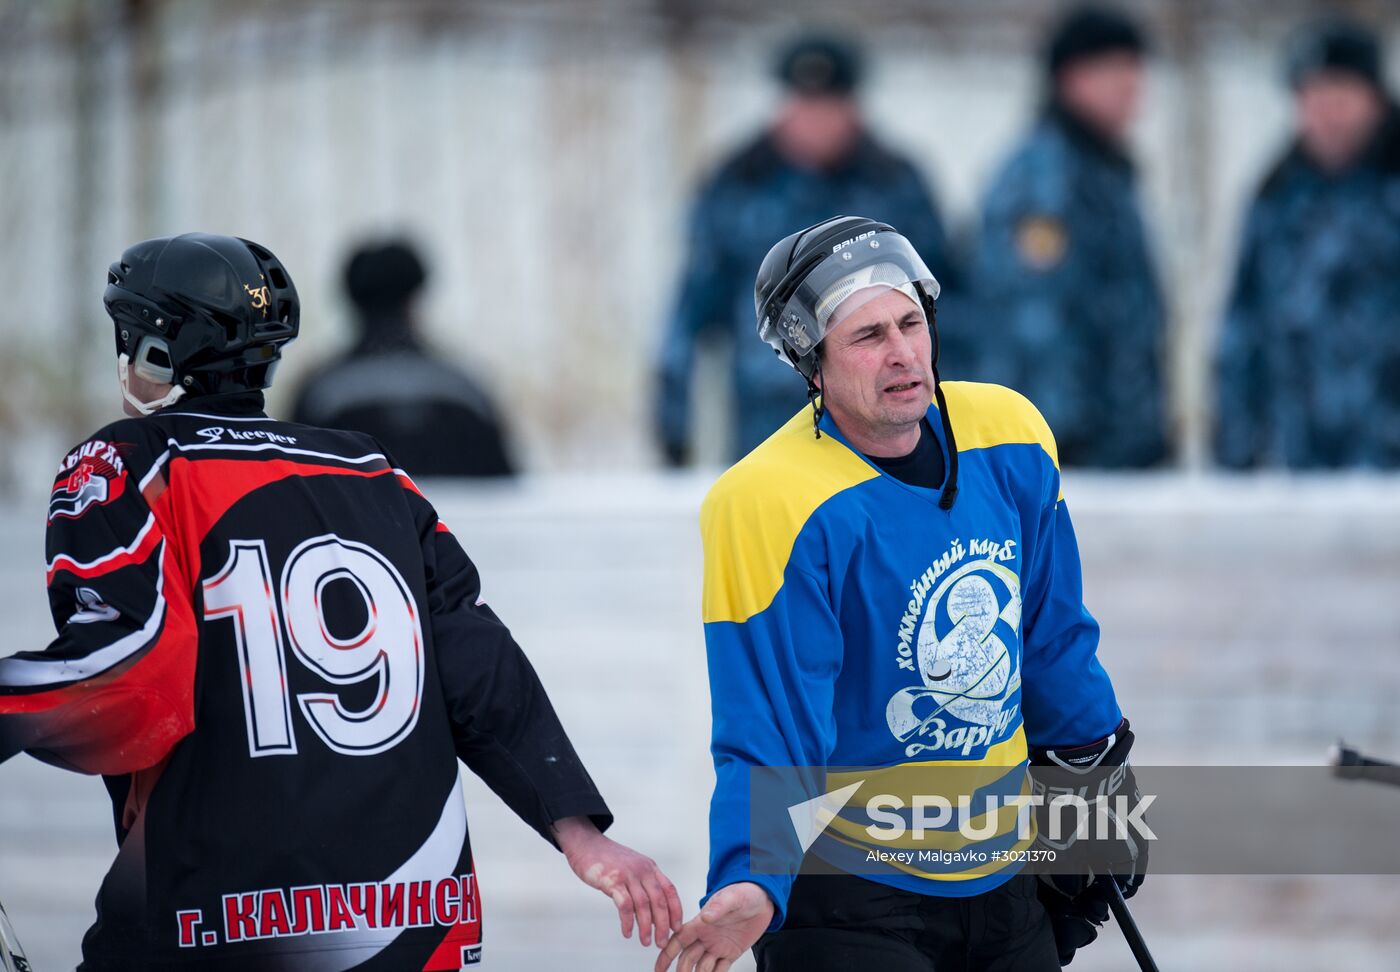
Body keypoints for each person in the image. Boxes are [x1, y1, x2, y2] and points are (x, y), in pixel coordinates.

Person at [0, 233, 679, 969]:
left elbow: (131, 678)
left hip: (212, 925)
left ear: (158, 349)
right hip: (415, 928)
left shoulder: (127, 461)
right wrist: (579, 832)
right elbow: (478, 662)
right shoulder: (372, 469)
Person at [656, 216, 1144, 972]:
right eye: (866, 336)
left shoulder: (1007, 435)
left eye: (910, 322)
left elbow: (1050, 639)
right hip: (850, 890)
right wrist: (753, 878)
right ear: (811, 363)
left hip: (1001, 873)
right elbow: (772, 724)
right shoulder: (770, 502)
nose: (902, 353)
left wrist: (1091, 779)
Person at [656, 33, 959, 467]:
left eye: (830, 105)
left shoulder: (896, 182)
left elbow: (946, 301)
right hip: (768, 424)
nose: (816, 120)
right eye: (804, 104)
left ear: (854, 107)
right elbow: (692, 308)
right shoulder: (738, 182)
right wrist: (673, 423)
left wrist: (953, 408)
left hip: (885, 420)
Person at [973, 5, 1167, 468]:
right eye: (1112, 69)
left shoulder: (1101, 170)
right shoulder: (1045, 180)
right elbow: (1033, 325)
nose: (1130, 86)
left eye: (1134, 69)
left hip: (1119, 443)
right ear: (1069, 79)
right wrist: (1066, 441)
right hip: (1069, 453)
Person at [1215, 17, 1400, 469]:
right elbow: (1243, 328)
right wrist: (1235, 453)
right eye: (1313, 98)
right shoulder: (1276, 196)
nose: (1327, 114)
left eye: (1341, 97)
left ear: (1375, 99)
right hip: (1300, 467)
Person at [292, 238, 515, 477]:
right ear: (415, 297)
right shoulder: (464, 389)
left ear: (351, 299)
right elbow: (505, 491)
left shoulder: (321, 393)